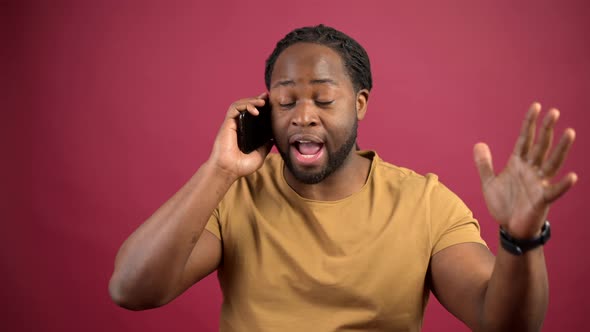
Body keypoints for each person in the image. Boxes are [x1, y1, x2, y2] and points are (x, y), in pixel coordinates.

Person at [108, 25, 578, 331]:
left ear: (359, 104)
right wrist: (220, 170)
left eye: (324, 100)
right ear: (266, 108)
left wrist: (521, 238)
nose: (304, 116)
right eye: (287, 100)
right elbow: (132, 290)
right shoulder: (235, 194)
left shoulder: (426, 203)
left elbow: (504, 323)